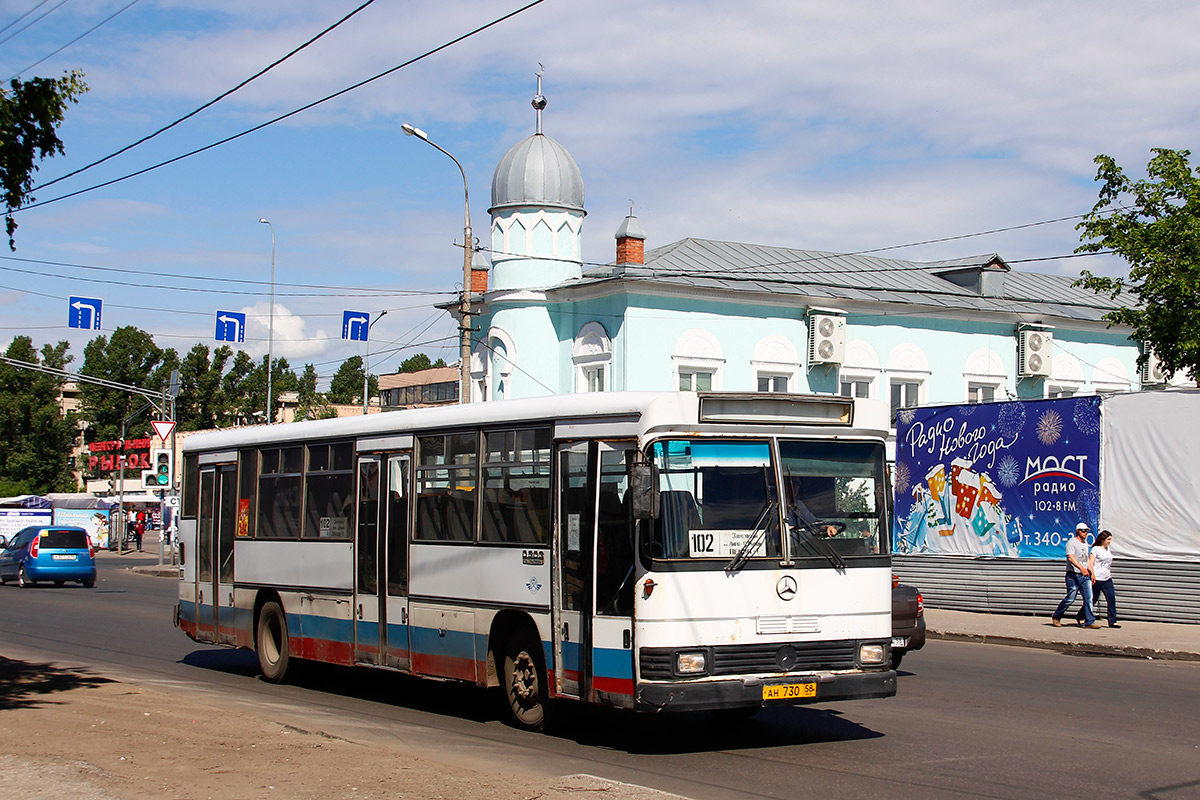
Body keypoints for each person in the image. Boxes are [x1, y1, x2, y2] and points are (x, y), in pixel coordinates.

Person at [1052, 522, 1099, 628]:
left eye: (1087, 531)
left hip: (1084, 576)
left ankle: (1089, 621)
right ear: (1077, 531)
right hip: (1073, 575)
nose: (1085, 533)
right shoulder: (1071, 543)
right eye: (1083, 531)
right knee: (1070, 598)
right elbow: (1071, 558)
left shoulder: (1085, 544)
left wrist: (1092, 573)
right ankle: (1056, 616)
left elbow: (1086, 560)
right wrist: (1081, 568)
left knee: (1089, 598)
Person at [1091, 530, 1119, 628]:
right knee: (1093, 599)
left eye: (1110, 539)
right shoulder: (1096, 549)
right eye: (1108, 539)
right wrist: (1092, 575)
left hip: (1107, 578)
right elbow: (1091, 562)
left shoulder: (1108, 549)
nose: (1109, 541)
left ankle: (1112, 621)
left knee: (1111, 598)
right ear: (1102, 539)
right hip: (1097, 578)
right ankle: (1081, 615)